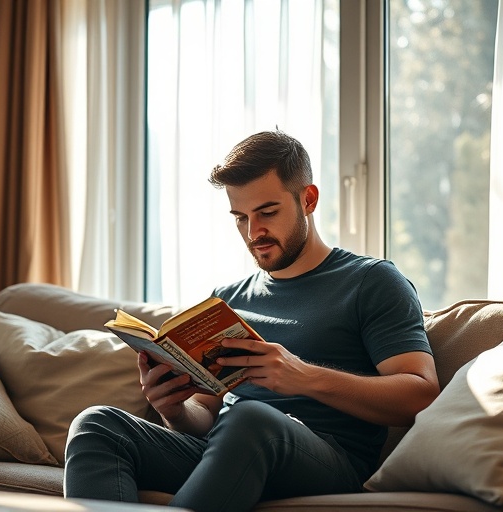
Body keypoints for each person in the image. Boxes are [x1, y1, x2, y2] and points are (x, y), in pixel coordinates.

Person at [63, 130, 440, 511]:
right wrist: (173, 410)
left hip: (326, 460)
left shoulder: (371, 281)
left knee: (248, 418)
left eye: (268, 213)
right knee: (96, 425)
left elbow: (421, 394)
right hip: (227, 451)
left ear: (308, 200)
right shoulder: (227, 299)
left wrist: (303, 376)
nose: (253, 232)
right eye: (240, 217)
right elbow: (204, 416)